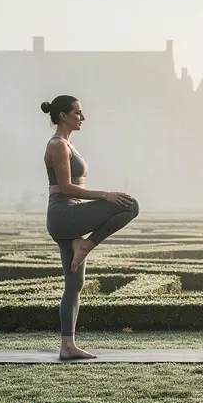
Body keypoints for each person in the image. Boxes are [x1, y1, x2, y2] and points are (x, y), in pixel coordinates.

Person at [41, 95, 140, 359]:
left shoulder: (67, 145)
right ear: (63, 116)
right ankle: (86, 244)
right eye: (78, 113)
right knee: (129, 205)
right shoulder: (58, 146)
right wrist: (104, 195)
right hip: (65, 214)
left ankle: (67, 347)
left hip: (69, 217)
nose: (82, 118)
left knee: (74, 283)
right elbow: (65, 188)